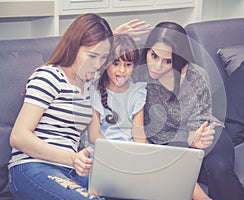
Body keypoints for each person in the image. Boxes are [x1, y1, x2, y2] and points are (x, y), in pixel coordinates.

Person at [8, 13, 150, 200]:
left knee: (142, 189)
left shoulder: (90, 83)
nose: (97, 64)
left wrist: (114, 38)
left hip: (72, 170)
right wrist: (72, 158)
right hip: (33, 166)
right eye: (92, 56)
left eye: (102, 58)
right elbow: (18, 137)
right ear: (74, 46)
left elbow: (105, 58)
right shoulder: (49, 76)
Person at [133, 21, 244, 200]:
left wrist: (195, 139)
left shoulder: (196, 75)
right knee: (186, 176)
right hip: (168, 144)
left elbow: (200, 122)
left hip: (204, 132)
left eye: (167, 61)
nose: (156, 66)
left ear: (178, 59)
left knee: (220, 169)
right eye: (153, 55)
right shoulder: (138, 73)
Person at [88, 34, 147, 144]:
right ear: (105, 64)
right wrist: (115, 152)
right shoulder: (95, 91)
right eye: (116, 64)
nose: (122, 70)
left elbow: (139, 135)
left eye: (128, 64)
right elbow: (93, 135)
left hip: (129, 152)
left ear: (134, 66)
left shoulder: (137, 92)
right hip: (104, 149)